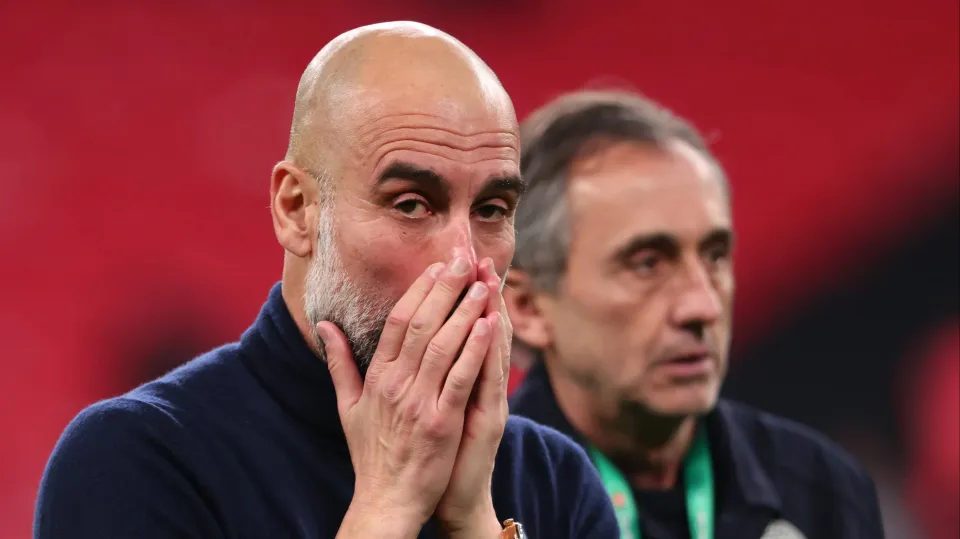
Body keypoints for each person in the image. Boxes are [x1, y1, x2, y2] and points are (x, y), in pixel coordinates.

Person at [34, 23, 619, 539]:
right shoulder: (137, 459)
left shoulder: (556, 479)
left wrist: (473, 524)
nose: (463, 258)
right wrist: (387, 507)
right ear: (296, 210)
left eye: (492, 209)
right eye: (411, 204)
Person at [504, 90, 886, 539]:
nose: (702, 306)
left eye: (715, 257)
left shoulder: (824, 491)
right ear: (528, 308)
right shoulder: (477, 503)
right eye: (647, 263)